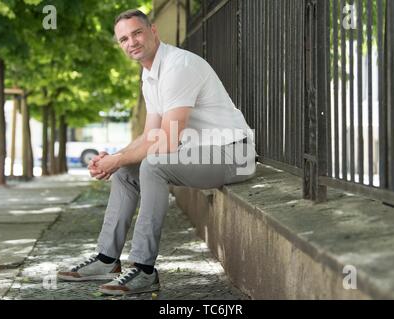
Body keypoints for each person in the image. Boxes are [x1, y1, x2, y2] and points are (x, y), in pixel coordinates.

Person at [57, 9, 256, 296]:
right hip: (199, 155)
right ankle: (106, 259)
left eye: (137, 33)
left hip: (233, 155)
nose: (131, 42)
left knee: (152, 166)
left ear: (153, 31)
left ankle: (145, 269)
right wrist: (114, 159)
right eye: (124, 39)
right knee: (126, 172)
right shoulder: (150, 75)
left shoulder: (179, 66)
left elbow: (168, 140)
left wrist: (117, 158)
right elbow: (151, 135)